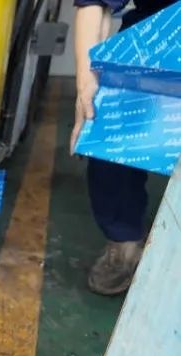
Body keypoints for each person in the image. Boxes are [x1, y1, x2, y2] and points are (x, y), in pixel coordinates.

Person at [70, 0, 177, 295]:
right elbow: (95, 3)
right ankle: (124, 241)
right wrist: (87, 87)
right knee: (110, 130)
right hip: (154, 33)